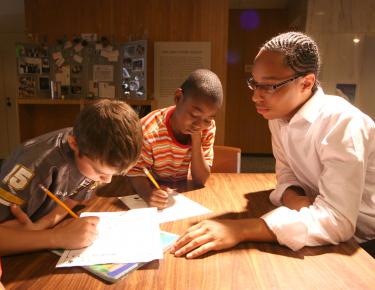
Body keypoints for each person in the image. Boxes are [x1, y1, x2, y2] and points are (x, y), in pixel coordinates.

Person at [170, 31, 375, 259]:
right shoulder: (279, 117)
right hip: (313, 219)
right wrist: (291, 196)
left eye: (269, 86)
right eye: (254, 84)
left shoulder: (343, 123)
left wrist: (241, 229)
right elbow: (286, 171)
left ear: (306, 83)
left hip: (363, 240)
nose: (256, 97)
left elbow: (338, 221)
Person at [0, 99, 143, 255]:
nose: (106, 180)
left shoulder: (94, 149)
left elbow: (73, 198)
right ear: (74, 144)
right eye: (99, 172)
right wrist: (56, 237)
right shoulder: (32, 164)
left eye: (114, 175)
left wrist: (42, 224)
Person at [127, 69, 223, 209]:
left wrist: (196, 139)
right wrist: (148, 194)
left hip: (183, 193)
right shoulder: (148, 131)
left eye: (208, 119)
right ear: (178, 98)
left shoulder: (206, 128)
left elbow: (200, 179)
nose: (199, 124)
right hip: (153, 189)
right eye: (194, 115)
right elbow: (136, 173)